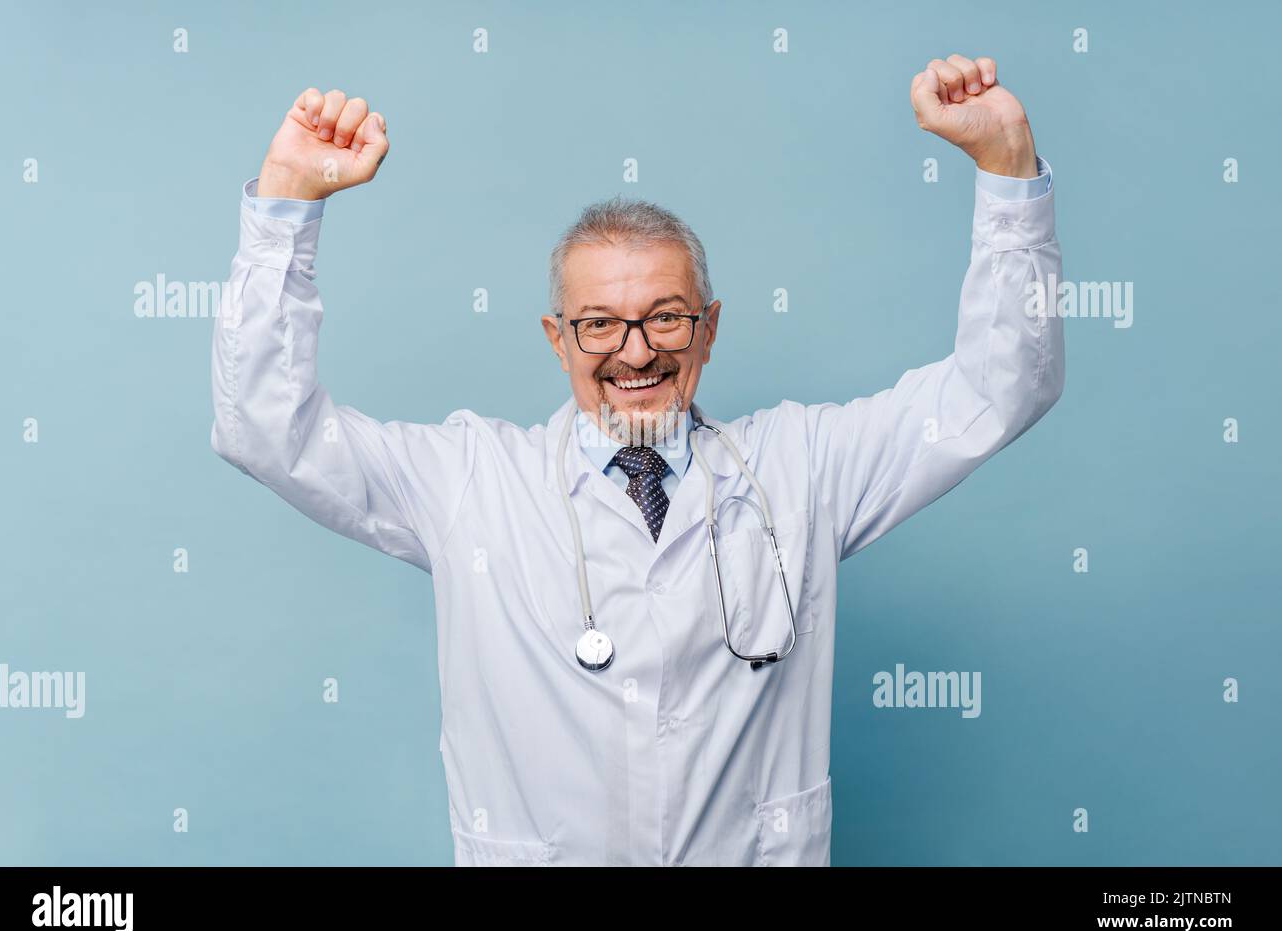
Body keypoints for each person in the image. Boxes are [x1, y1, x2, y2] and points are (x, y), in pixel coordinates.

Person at [210, 53, 1063, 866]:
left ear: (709, 328)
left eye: (666, 317)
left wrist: (1006, 168)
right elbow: (263, 424)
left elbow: (1000, 387)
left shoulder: (805, 466)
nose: (634, 352)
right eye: (599, 324)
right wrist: (288, 204)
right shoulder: (469, 481)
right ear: (558, 339)